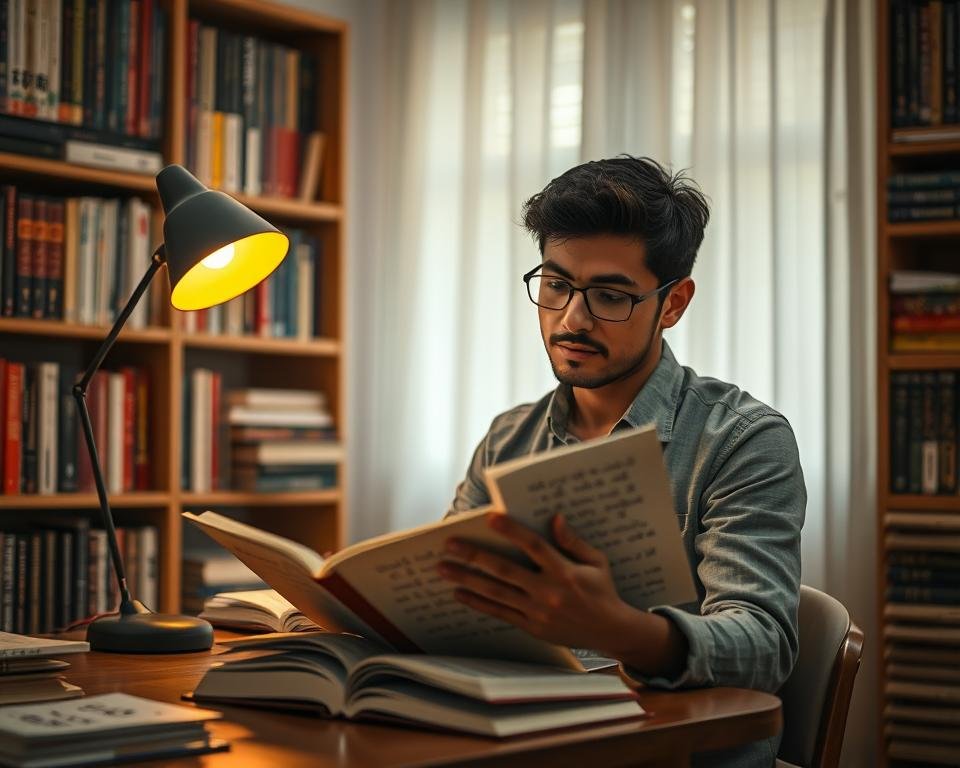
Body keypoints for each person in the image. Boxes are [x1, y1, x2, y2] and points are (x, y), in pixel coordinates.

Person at [436, 156, 805, 767]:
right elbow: (453, 599)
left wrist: (617, 629)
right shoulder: (509, 439)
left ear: (674, 302)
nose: (571, 320)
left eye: (609, 296)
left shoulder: (743, 438)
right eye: (555, 286)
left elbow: (764, 646)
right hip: (524, 742)